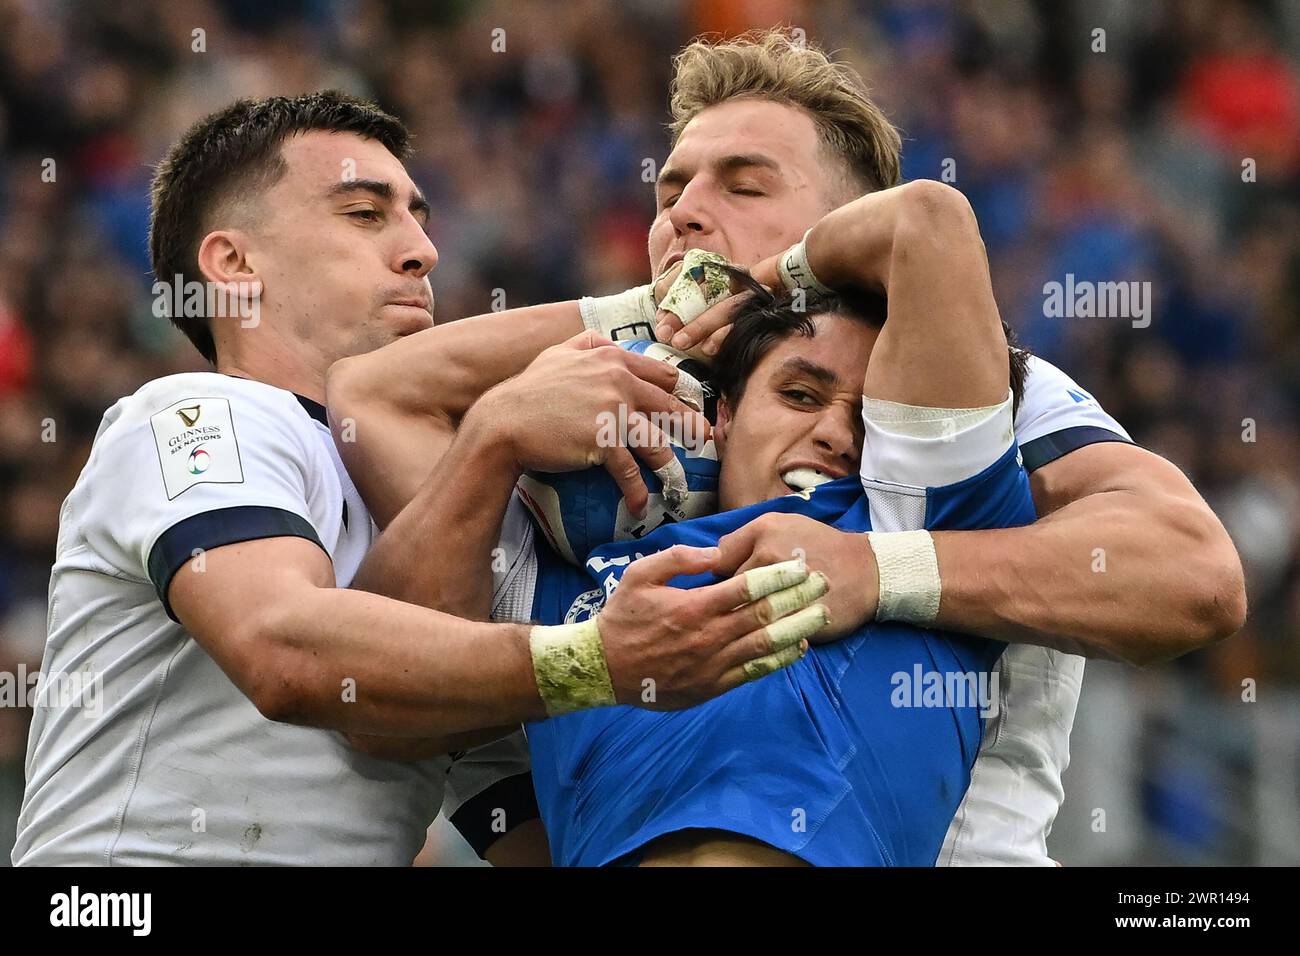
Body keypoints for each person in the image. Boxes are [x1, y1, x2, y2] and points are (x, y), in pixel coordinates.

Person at [328, 31, 1246, 865]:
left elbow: (1193, 576)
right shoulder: (583, 446)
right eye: (670, 190)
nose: (684, 214)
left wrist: (869, 568)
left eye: (743, 183)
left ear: (844, 229)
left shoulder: (969, 391)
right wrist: (536, 399)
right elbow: (376, 409)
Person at [11, 91, 822, 866]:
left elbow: (509, 792)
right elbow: (284, 651)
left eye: (417, 219)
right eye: (364, 214)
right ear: (231, 262)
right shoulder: (191, 417)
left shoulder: (451, 499)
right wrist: (597, 656)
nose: (423, 250)